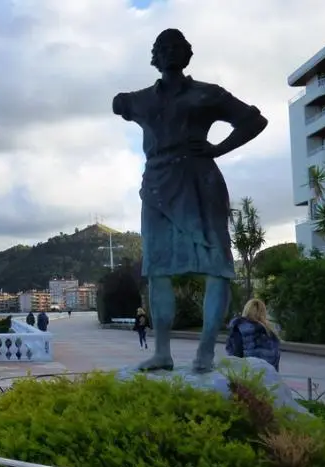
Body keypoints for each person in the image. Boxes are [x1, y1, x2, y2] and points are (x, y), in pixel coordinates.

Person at [112, 29, 268, 373]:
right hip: (156, 188)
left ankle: (205, 354)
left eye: (177, 47)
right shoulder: (140, 99)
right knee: (157, 270)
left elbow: (254, 120)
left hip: (200, 182)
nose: (170, 52)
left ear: (187, 54)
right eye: (163, 48)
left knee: (218, 269)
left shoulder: (207, 94)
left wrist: (218, 149)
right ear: (154, 56)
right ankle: (162, 352)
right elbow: (118, 103)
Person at [226, 298, 281, 371]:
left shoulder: (239, 328)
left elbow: (235, 357)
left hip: (248, 377)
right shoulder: (271, 333)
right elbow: (275, 364)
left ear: (246, 310)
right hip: (269, 377)